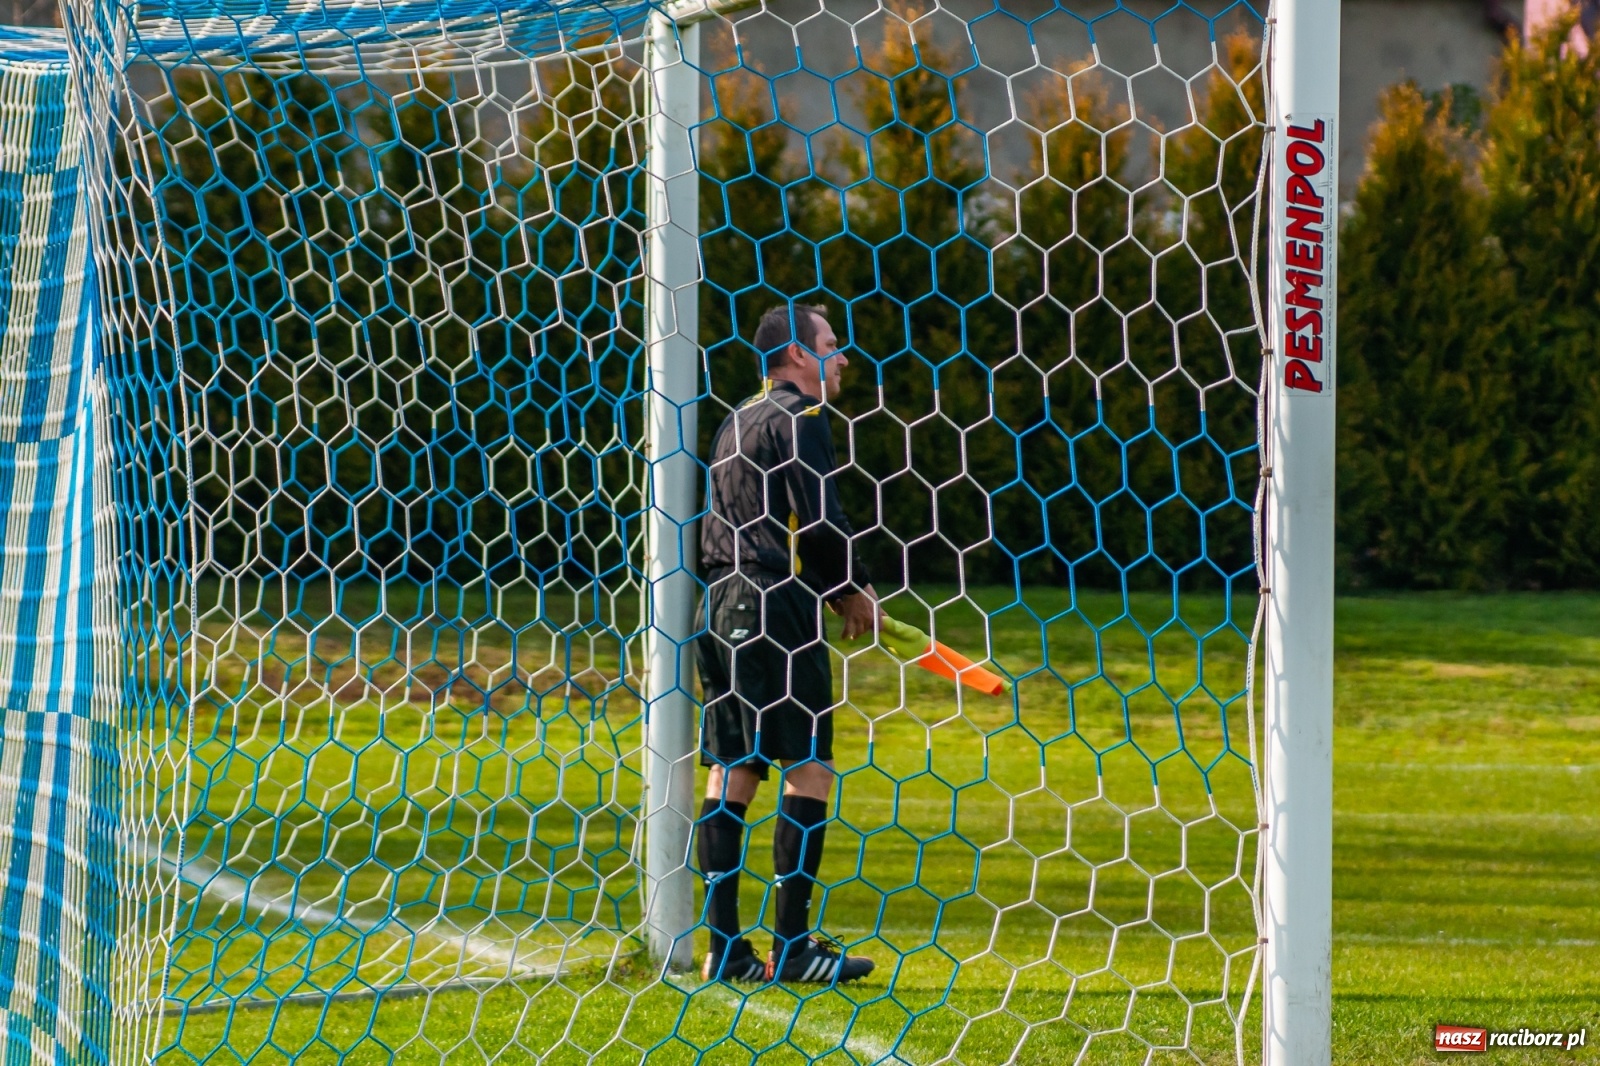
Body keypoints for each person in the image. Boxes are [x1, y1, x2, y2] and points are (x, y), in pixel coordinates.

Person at [693, 303, 880, 984]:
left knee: (734, 767)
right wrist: (848, 590)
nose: (843, 357)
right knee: (809, 767)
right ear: (798, 355)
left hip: (718, 603)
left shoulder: (736, 417)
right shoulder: (802, 418)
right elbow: (822, 519)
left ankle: (724, 948)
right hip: (774, 602)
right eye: (833, 344)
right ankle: (794, 948)